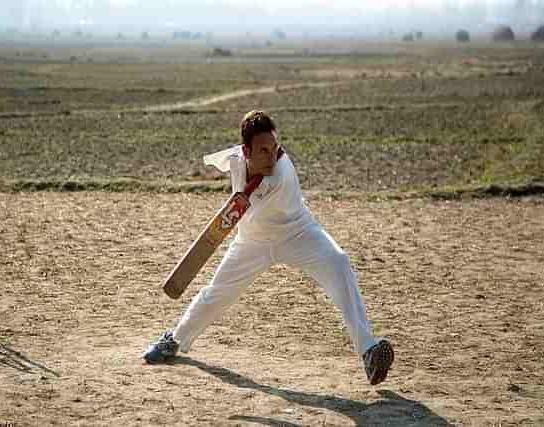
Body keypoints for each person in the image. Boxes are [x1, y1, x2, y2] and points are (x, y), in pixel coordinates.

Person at [142, 110, 394, 385]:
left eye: (274, 149)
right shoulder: (236, 157)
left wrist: (231, 209)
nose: (271, 157)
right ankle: (175, 339)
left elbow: (241, 206)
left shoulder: (280, 175)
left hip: (298, 233)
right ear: (246, 150)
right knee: (216, 293)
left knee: (339, 263)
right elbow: (226, 172)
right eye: (263, 151)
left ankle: (369, 348)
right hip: (253, 242)